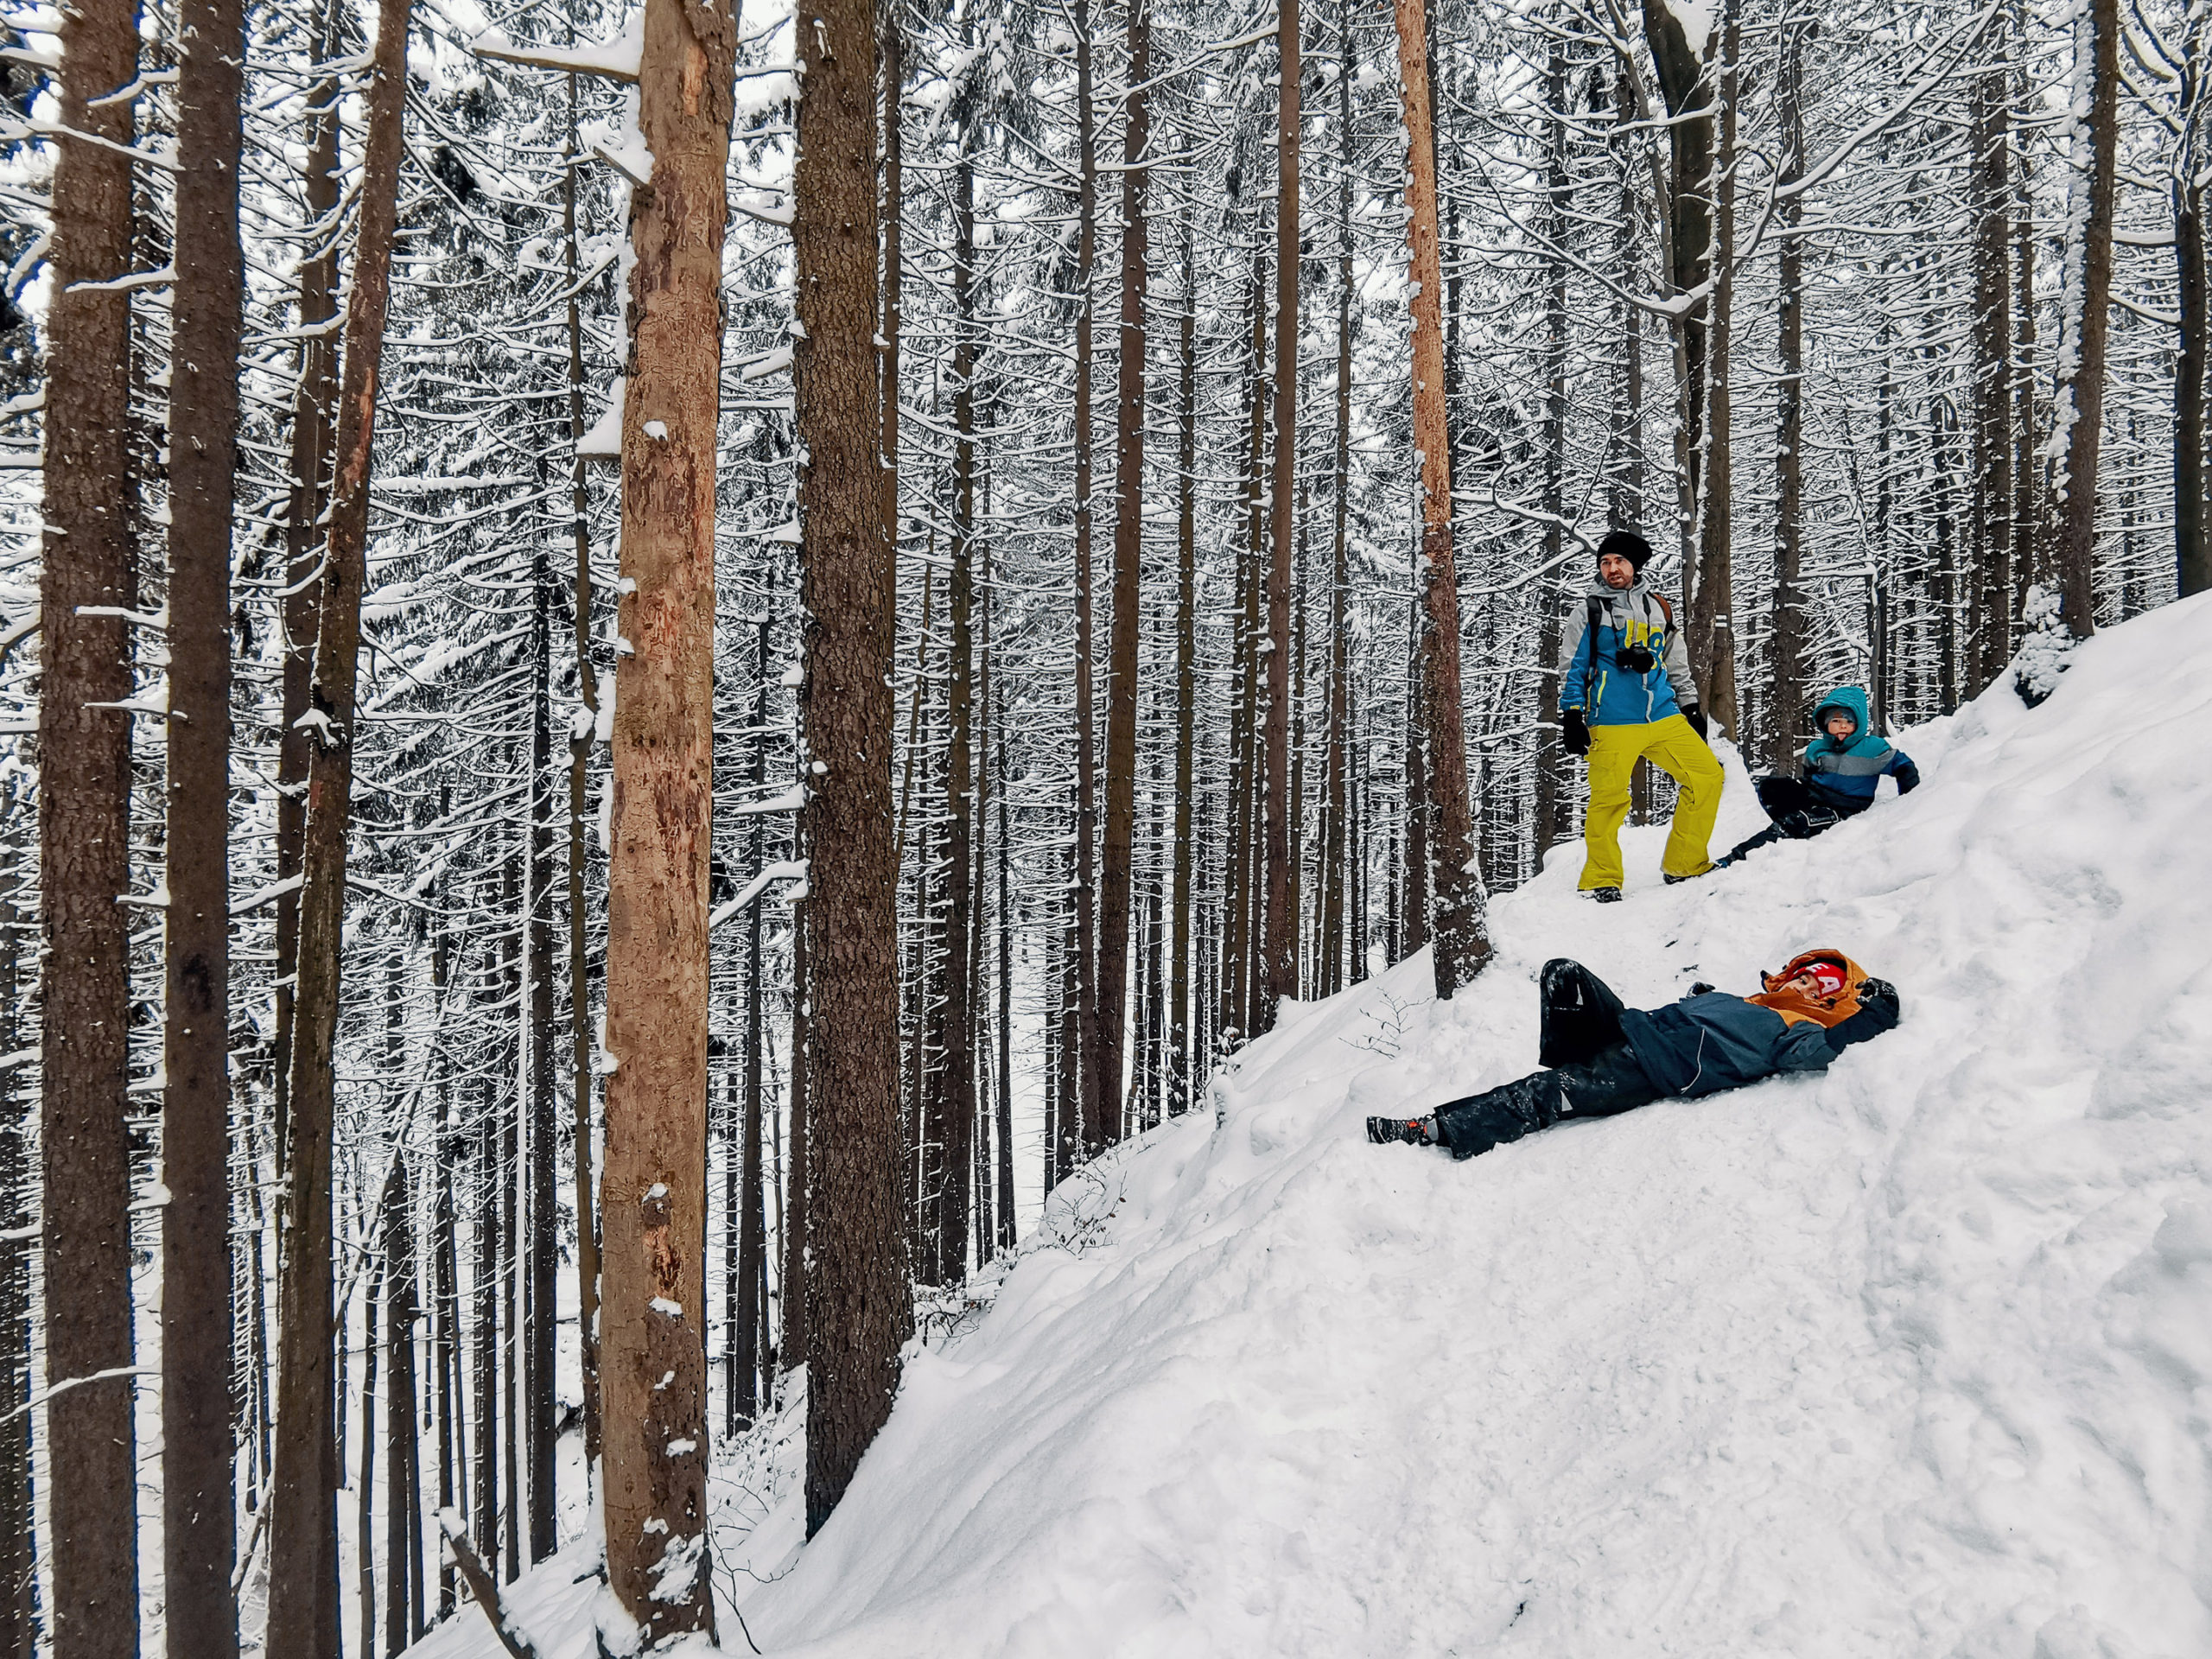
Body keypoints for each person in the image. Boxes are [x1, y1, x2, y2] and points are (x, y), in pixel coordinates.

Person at [1367, 951, 1899, 1160]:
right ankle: (1573, 1069)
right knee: (1564, 973)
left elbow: (1824, 1051)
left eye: (1818, 987)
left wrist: (1873, 1016)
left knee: (1541, 1094)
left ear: (1830, 1001)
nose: (1805, 985)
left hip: (1651, 1067)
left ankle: (1434, 1128)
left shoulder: (1799, 1028)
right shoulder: (1748, 1000)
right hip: (1633, 1031)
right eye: (1803, 975)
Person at [1559, 530, 1724, 904]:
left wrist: (1691, 706)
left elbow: (1675, 660)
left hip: (1663, 716)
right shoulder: (1590, 611)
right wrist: (1571, 714)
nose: (1611, 569)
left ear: (1636, 565)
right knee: (1609, 800)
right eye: (1605, 562)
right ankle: (1602, 879)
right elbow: (1572, 665)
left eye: (1619, 561)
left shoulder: (1659, 608)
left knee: (1707, 778)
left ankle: (1684, 863)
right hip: (1613, 719)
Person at [1719, 686, 1919, 867]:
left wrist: (1908, 802)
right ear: (1826, 724)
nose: (1842, 726)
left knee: (1794, 824)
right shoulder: (1817, 748)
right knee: (1770, 787)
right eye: (1836, 721)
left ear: (1858, 724)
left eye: (1849, 721)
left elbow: (1903, 766)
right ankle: (1793, 824)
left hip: (1843, 808)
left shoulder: (1873, 749)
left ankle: (1738, 856)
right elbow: (1809, 776)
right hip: (1815, 796)